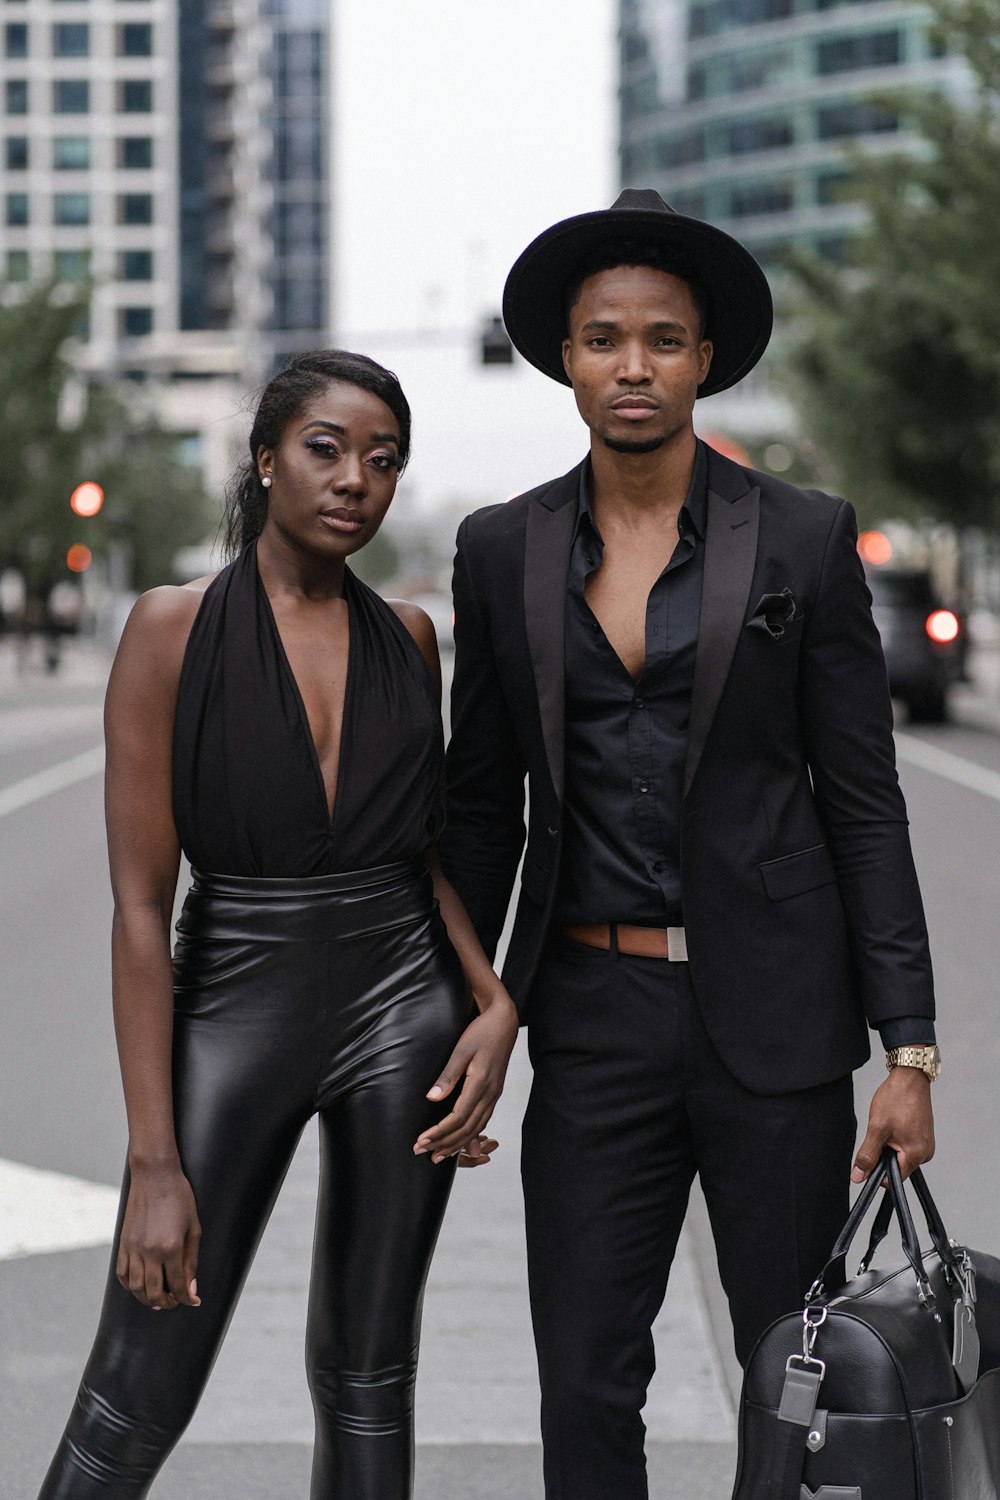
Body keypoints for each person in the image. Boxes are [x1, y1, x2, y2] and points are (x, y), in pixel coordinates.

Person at [440, 190, 940, 1500]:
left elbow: (864, 800)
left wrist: (910, 1051)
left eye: (663, 339)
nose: (633, 366)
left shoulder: (804, 534)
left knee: (794, 1374)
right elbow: (483, 805)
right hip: (593, 1015)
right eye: (605, 339)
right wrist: (467, 1004)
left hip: (775, 1022)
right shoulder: (501, 552)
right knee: (586, 1379)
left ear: (706, 356)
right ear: (567, 356)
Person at [38, 349, 519, 1500]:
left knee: (368, 1376)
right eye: (326, 448)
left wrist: (493, 999)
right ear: (264, 462)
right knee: (139, 1378)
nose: (355, 478)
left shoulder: (408, 637)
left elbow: (420, 856)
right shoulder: (170, 630)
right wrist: (155, 1162)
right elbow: (143, 908)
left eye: (384, 460)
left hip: (404, 1007)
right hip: (234, 1003)